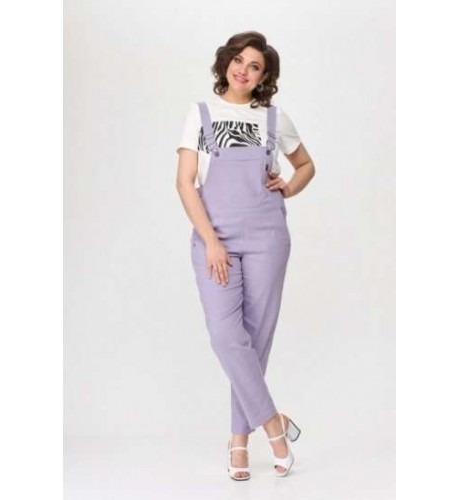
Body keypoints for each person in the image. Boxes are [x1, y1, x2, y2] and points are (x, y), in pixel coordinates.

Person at [175, 31, 315, 480]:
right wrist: (211, 241)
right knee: (225, 336)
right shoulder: (200, 113)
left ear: (263, 76)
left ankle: (239, 440)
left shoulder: (274, 118)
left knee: (254, 342)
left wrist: (288, 187)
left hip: (267, 238)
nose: (244, 70)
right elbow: (185, 183)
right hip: (215, 239)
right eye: (238, 60)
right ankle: (275, 425)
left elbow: (306, 165)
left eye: (255, 66)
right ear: (226, 63)